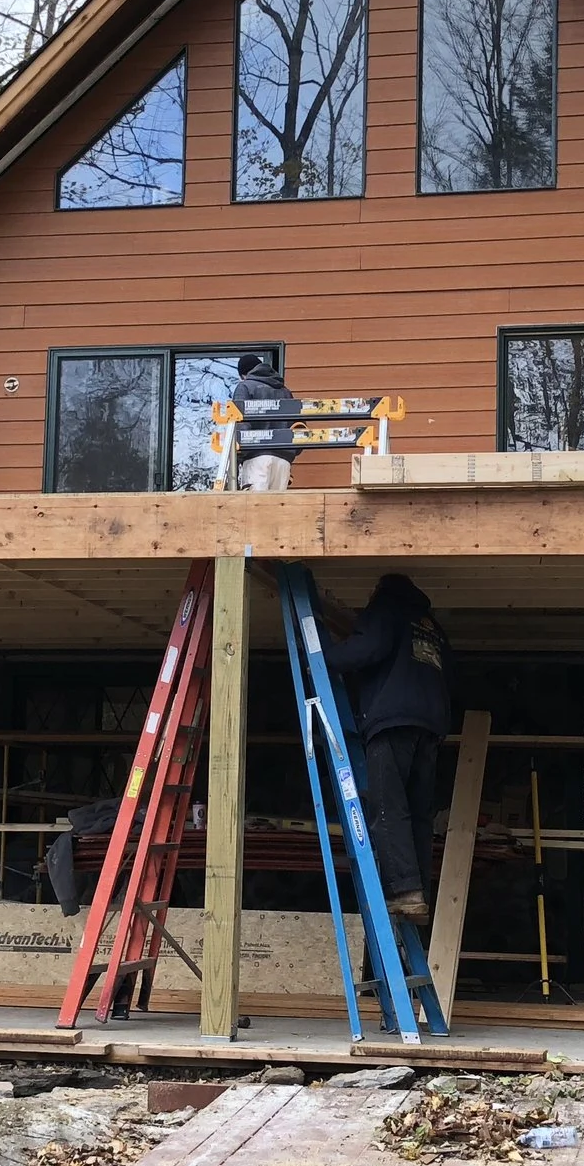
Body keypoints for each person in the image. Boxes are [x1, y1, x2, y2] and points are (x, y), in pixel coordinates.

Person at [328, 574, 454, 923]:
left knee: (388, 806)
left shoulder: (386, 609)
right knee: (417, 813)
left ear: (380, 590)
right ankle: (417, 894)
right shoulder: (431, 626)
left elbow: (367, 649)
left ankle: (403, 890)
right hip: (430, 726)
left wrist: (322, 658)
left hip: (393, 720)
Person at [229, 353, 299, 491]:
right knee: (276, 509)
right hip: (283, 462)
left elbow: (241, 424)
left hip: (257, 459)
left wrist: (237, 456)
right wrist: (290, 452)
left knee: (253, 509)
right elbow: (298, 427)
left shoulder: (245, 387)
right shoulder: (285, 391)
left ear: (243, 375)